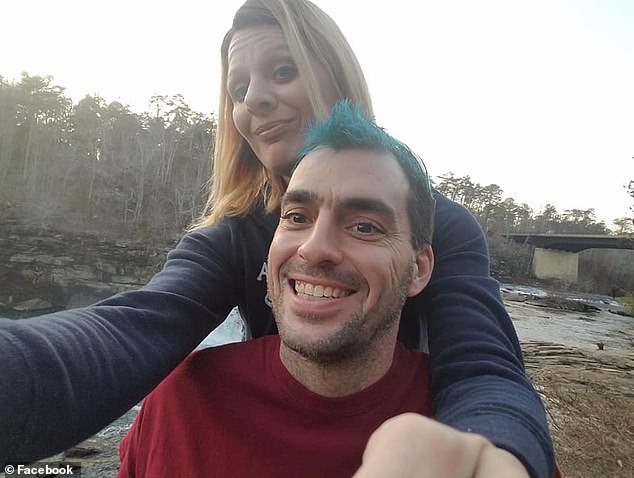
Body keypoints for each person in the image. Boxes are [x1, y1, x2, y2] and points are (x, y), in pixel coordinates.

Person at [0, 1, 555, 477]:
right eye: (239, 88)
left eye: (283, 71)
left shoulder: (440, 223)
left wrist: (496, 453)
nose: (255, 101)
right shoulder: (232, 236)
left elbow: (484, 366)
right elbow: (132, 329)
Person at [118, 101, 529, 477]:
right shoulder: (183, 401)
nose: (315, 248)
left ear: (419, 269)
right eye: (296, 216)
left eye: (364, 226)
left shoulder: (474, 447)